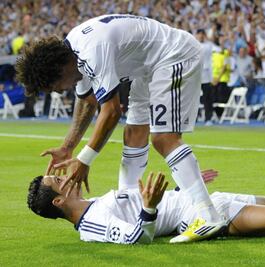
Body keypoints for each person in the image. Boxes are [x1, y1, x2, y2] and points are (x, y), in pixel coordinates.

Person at [15, 14, 225, 243]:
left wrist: (84, 159)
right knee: (133, 133)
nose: (59, 91)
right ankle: (131, 202)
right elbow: (87, 102)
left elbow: (112, 111)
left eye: (54, 86)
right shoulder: (75, 53)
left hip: (174, 55)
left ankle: (208, 215)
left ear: (58, 70)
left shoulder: (92, 49)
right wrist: (67, 147)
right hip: (148, 67)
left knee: (163, 138)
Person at [27, 171, 265, 245]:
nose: (62, 177)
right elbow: (132, 238)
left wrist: (185, 184)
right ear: (59, 202)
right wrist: (150, 208)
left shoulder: (92, 203)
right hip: (200, 216)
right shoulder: (92, 224)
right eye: (56, 182)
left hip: (198, 199)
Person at [196, 29, 215, 126]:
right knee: (193, 99)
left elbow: (212, 60)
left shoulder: (209, 46)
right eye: (199, 34)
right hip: (195, 75)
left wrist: (212, 76)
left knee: (208, 98)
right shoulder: (192, 44)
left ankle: (208, 118)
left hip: (206, 75)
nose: (201, 36)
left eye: (203, 34)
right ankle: (193, 119)